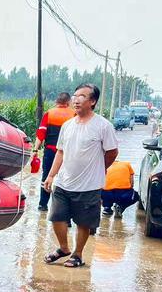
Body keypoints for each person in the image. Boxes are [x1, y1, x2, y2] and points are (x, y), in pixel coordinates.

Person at [42, 83, 119, 268]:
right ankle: (63, 248)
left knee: (83, 222)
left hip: (89, 184)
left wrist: (99, 168)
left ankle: (77, 254)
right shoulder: (67, 125)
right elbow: (60, 152)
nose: (76, 100)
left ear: (92, 101)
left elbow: (112, 152)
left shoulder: (103, 126)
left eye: (82, 96)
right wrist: (51, 175)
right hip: (63, 181)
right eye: (75, 96)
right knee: (56, 216)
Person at [33, 92, 74, 212]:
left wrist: (35, 150)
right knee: (66, 179)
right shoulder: (74, 114)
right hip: (68, 153)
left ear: (57, 102)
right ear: (68, 102)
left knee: (46, 176)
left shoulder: (49, 114)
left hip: (50, 151)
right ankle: (62, 208)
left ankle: (43, 205)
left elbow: (41, 134)